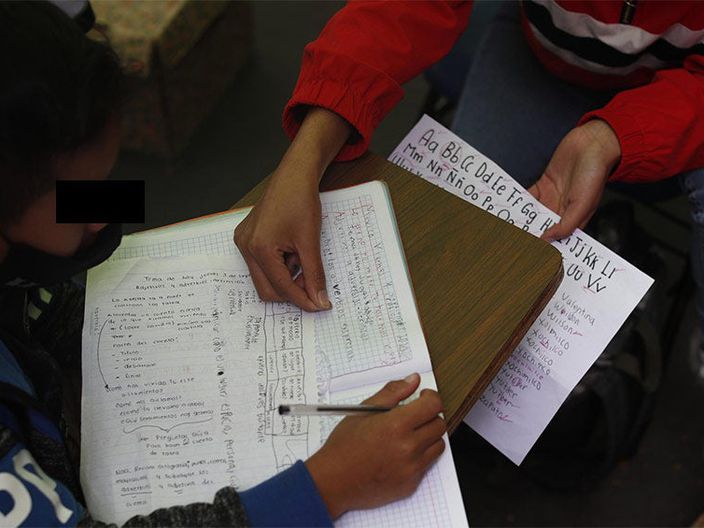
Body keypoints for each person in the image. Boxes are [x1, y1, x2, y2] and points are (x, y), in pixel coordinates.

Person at [235, 0, 704, 479]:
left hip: (701, 82)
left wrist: (614, 135)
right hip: (545, 63)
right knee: (455, 253)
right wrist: (307, 154)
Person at [0, 2, 446, 526]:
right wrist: (326, 487)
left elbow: (44, 305)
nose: (108, 212)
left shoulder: (28, 234)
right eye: (81, 200)